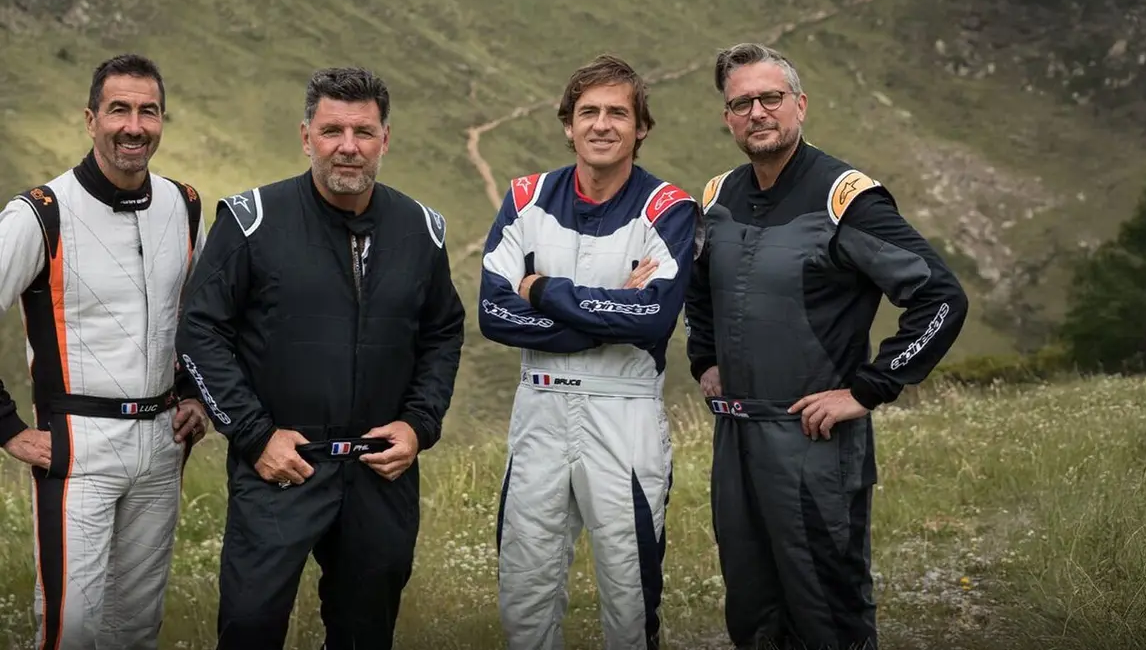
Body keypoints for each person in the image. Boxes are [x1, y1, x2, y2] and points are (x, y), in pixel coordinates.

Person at [684, 42, 970, 650]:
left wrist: (869, 389)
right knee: (753, 606)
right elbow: (700, 288)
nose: (758, 112)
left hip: (813, 443)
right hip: (736, 437)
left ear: (800, 104)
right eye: (742, 103)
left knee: (826, 608)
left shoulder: (847, 199)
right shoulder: (718, 197)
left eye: (771, 98)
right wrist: (704, 358)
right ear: (727, 117)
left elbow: (941, 298)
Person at [174, 66, 465, 649]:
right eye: (332, 131)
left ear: (385, 139)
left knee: (365, 634)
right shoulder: (252, 220)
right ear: (306, 136)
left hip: (380, 471)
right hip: (280, 465)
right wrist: (254, 436)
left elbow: (442, 333)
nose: (348, 146)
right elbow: (200, 331)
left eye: (363, 131)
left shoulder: (421, 230)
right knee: (250, 626)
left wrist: (418, 424)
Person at [478, 54, 701, 650]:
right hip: (539, 407)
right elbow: (493, 312)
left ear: (641, 127)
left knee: (630, 596)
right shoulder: (525, 197)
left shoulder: (670, 208)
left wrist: (542, 291)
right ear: (568, 124)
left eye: (618, 114)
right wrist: (606, 319)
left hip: (623, 411)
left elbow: (655, 314)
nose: (602, 125)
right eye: (589, 112)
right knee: (524, 589)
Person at [0, 53, 209, 650]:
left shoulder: (184, 205)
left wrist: (195, 395)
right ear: (91, 119)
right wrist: (6, 428)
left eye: (148, 111)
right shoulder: (40, 213)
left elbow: (201, 319)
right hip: (79, 445)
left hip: (162, 445)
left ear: (162, 120)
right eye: (119, 110)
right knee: (72, 630)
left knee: (136, 630)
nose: (134, 126)